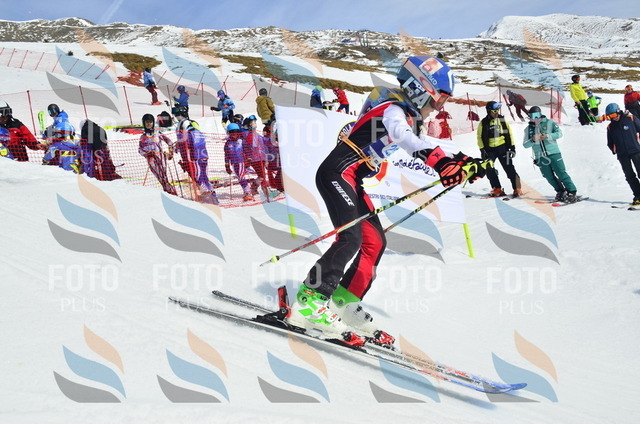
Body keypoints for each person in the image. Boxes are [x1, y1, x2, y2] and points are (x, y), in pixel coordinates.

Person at [286, 55, 486, 343]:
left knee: (374, 242)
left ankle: (343, 302)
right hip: (336, 173)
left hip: (352, 180)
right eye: (439, 99)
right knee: (350, 238)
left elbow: (423, 142)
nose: (439, 108)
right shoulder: (392, 109)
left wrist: (464, 161)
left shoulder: (407, 115)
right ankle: (309, 301)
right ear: (421, 88)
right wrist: (440, 162)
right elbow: (401, 135)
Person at [523, 106, 578, 203]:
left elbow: (559, 133)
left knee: (561, 173)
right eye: (533, 116)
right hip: (540, 156)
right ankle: (560, 191)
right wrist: (533, 140)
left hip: (553, 153)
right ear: (529, 117)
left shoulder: (549, 123)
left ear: (541, 114)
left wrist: (547, 136)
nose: (535, 118)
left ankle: (571, 191)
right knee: (548, 176)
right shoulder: (528, 129)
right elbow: (525, 145)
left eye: (537, 115)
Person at [173, 107, 219, 204]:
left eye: (178, 115)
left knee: (198, 177)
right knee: (201, 177)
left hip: (195, 157)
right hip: (194, 156)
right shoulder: (186, 129)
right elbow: (182, 142)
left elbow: (193, 142)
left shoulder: (190, 129)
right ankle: (211, 196)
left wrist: (193, 153)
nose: (177, 117)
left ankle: (209, 198)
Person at [477, 101, 522, 197]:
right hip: (490, 150)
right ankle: (497, 189)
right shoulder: (483, 123)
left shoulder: (502, 120)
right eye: (494, 111)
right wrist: (482, 149)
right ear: (488, 111)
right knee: (489, 169)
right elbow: (479, 137)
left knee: (509, 168)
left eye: (497, 110)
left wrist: (512, 147)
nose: (496, 113)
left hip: (503, 148)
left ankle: (517, 188)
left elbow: (509, 133)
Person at [605, 103, 640, 206]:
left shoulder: (630, 119)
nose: (613, 118)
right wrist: (615, 150)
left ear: (618, 112)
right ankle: (638, 196)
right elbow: (610, 142)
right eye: (609, 117)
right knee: (629, 176)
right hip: (622, 155)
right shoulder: (610, 127)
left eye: (613, 115)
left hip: (635, 151)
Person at [139, 113, 176, 195]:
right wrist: (147, 154)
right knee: (160, 178)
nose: (149, 124)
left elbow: (169, 142)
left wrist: (171, 152)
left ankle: (172, 193)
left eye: (150, 122)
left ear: (153, 122)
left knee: (164, 177)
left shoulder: (157, 133)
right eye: (146, 122)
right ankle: (169, 192)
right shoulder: (143, 137)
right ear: (144, 123)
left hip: (161, 157)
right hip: (151, 160)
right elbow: (140, 150)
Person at [42, 104, 80, 173]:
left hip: (65, 171)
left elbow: (49, 154)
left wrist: (45, 161)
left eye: (53, 112)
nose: (52, 114)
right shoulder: (76, 142)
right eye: (50, 112)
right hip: (75, 169)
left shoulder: (61, 119)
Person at [242, 115, 270, 200]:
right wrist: (249, 157)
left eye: (255, 123)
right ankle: (255, 186)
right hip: (255, 159)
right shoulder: (248, 135)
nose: (255, 124)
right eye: (252, 123)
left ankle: (259, 187)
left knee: (262, 175)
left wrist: (272, 140)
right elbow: (251, 146)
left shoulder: (254, 134)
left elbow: (263, 140)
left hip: (261, 157)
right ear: (248, 125)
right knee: (262, 175)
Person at [223, 123, 253, 201]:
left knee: (241, 177)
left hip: (241, 162)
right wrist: (227, 165)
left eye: (236, 133)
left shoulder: (242, 141)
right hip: (233, 163)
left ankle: (248, 192)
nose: (234, 135)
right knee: (239, 178)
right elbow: (226, 155)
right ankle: (246, 190)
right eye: (232, 133)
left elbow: (247, 151)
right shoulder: (227, 143)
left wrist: (249, 159)